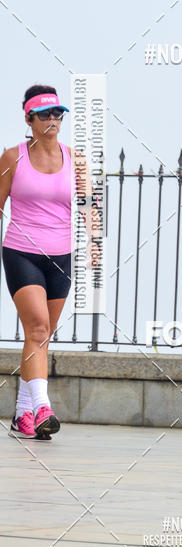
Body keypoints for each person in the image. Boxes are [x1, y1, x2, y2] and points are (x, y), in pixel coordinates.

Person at [1, 85, 78, 440]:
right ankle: (44, 407)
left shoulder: (75, 159)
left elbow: (90, 206)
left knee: (41, 337)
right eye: (45, 114)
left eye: (57, 114)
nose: (52, 120)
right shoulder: (12, 158)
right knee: (37, 329)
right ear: (29, 119)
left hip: (61, 256)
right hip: (21, 252)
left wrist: (93, 240)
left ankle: (21, 414)